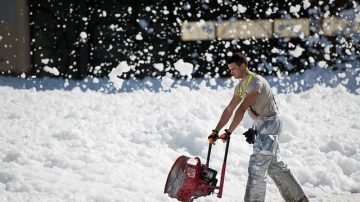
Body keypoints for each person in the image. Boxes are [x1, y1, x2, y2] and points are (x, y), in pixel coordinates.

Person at [208, 53, 308, 202]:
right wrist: (216, 131)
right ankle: (298, 199)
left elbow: (241, 109)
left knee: (257, 166)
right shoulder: (241, 86)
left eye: (234, 69)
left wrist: (229, 132)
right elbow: (229, 109)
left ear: (243, 66)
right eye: (230, 69)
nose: (231, 72)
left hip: (270, 123)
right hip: (262, 124)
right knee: (274, 166)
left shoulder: (256, 82)